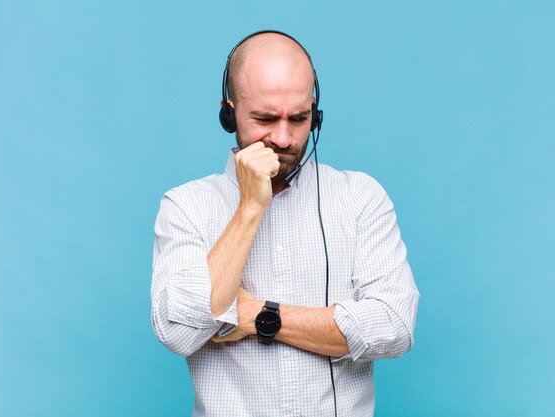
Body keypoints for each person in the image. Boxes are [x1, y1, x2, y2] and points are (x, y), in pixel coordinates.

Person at [151, 30, 420, 417]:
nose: (283, 137)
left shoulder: (361, 197)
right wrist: (248, 209)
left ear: (316, 113)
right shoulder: (187, 207)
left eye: (299, 118)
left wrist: (262, 317)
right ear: (229, 113)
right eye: (264, 118)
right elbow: (178, 331)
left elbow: (393, 326)